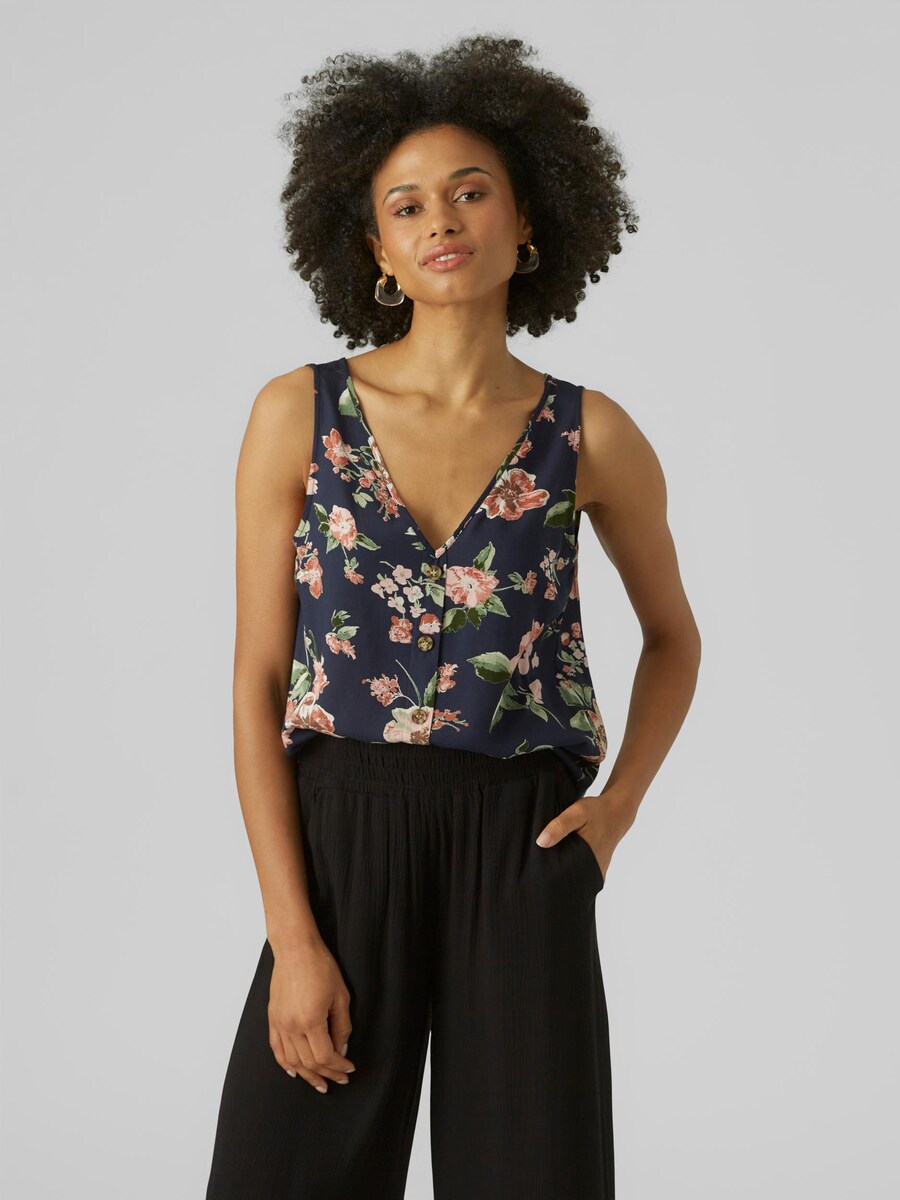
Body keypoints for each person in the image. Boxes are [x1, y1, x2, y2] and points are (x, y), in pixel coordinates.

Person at [205, 33, 701, 1200]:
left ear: (527, 221)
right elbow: (257, 682)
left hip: (520, 846)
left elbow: (675, 637)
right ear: (374, 248)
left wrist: (616, 811)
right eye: (408, 203)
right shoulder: (297, 414)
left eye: (471, 191)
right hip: (343, 835)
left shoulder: (593, 435)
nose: (443, 219)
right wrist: (294, 935)